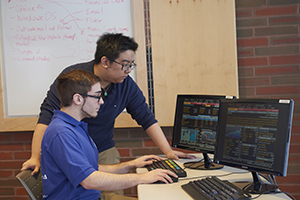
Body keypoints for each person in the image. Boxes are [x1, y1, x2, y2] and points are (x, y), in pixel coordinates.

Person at [22, 32, 195, 176]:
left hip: (103, 149)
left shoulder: (125, 84)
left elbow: (146, 117)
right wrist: (35, 157)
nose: (128, 71)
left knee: (112, 190)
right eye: (124, 65)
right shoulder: (73, 78)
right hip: (71, 150)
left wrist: (168, 151)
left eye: (131, 65)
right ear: (105, 62)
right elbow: (46, 115)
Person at [41, 69, 177, 200]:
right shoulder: (61, 133)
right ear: (78, 99)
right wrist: (141, 178)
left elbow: (91, 169)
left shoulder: (75, 127)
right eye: (96, 96)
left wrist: (131, 165)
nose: (101, 102)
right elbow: (89, 180)